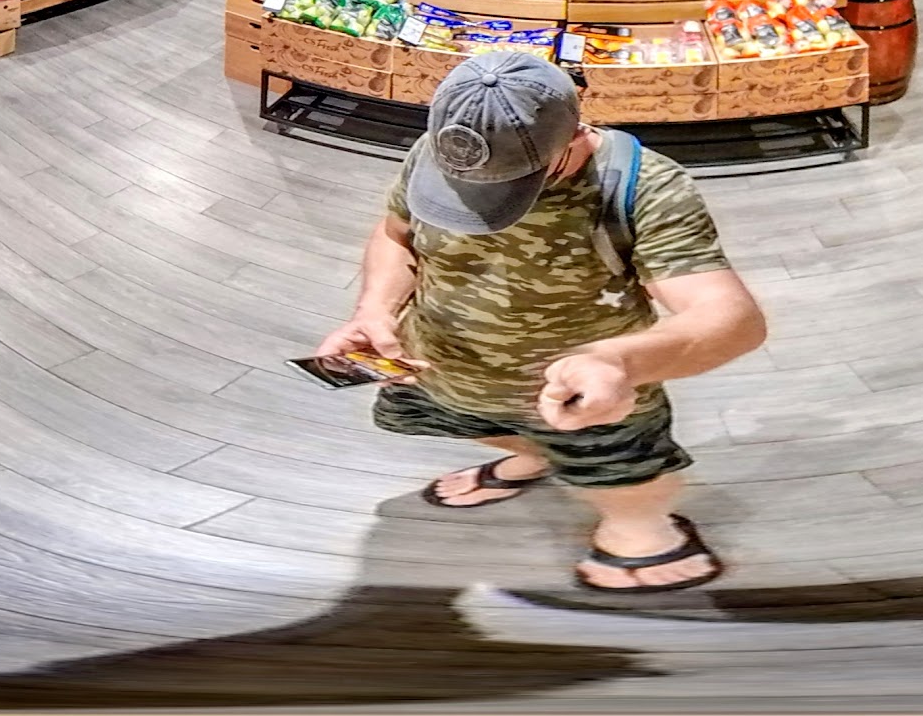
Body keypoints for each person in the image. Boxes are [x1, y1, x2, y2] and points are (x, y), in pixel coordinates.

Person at [316, 50, 764, 594]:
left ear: (575, 136)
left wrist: (617, 362)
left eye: (509, 184)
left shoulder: (644, 188)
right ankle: (537, 458)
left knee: (621, 471)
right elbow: (396, 236)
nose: (477, 201)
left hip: (585, 395)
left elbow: (731, 318)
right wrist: (374, 310)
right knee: (476, 426)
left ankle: (645, 529)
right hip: (440, 367)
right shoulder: (438, 154)